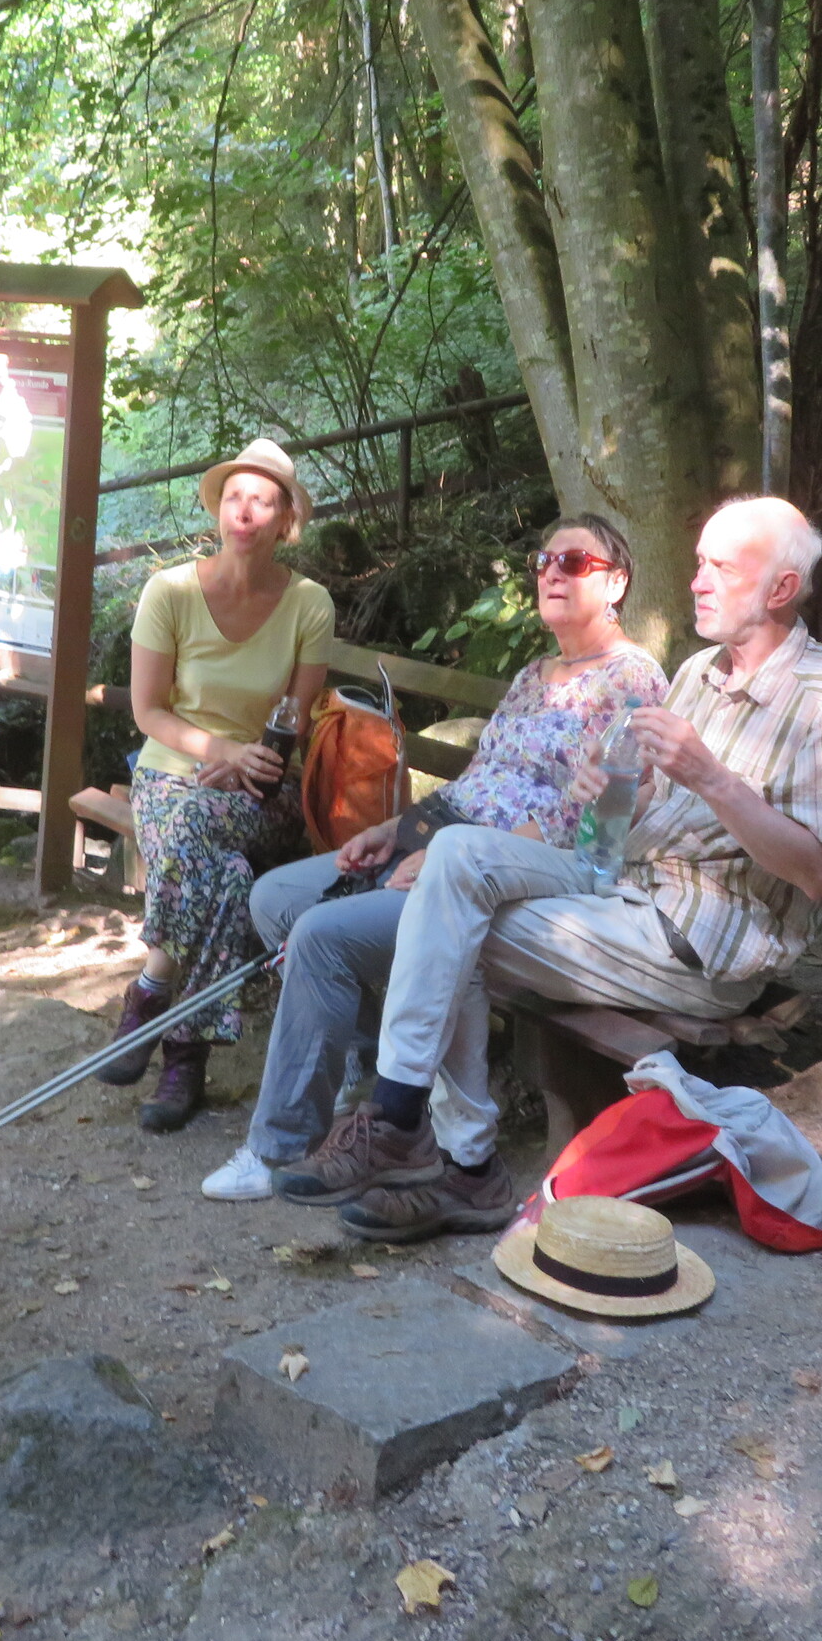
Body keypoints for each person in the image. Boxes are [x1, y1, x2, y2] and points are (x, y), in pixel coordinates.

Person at [271, 497, 822, 1243]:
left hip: (700, 941)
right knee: (455, 858)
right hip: (621, 886)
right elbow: (642, 811)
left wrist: (713, 778)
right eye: (699, 564)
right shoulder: (698, 674)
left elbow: (821, 874)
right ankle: (408, 1124)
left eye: (721, 567)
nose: (697, 582)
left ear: (781, 588)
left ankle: (456, 1157)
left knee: (448, 923)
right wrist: (609, 790)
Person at [197, 514, 669, 1203]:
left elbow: (595, 816)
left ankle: (281, 1145)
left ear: (617, 582)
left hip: (502, 874)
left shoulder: (631, 681)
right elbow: (478, 778)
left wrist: (447, 855)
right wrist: (397, 830)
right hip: (442, 838)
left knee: (321, 935)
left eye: (573, 563)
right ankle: (365, 1064)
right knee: (275, 899)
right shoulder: (535, 675)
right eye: (543, 561)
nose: (551, 573)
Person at [98, 439, 334, 1132]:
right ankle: (185, 1051)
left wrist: (248, 760)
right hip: (170, 774)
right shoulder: (169, 592)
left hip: (263, 787)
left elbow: (295, 721)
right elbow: (148, 711)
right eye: (235, 498)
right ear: (219, 510)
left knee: (201, 831)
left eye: (263, 501)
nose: (246, 512)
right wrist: (220, 749)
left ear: (286, 520)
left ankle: (152, 989)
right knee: (225, 872)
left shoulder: (309, 604)